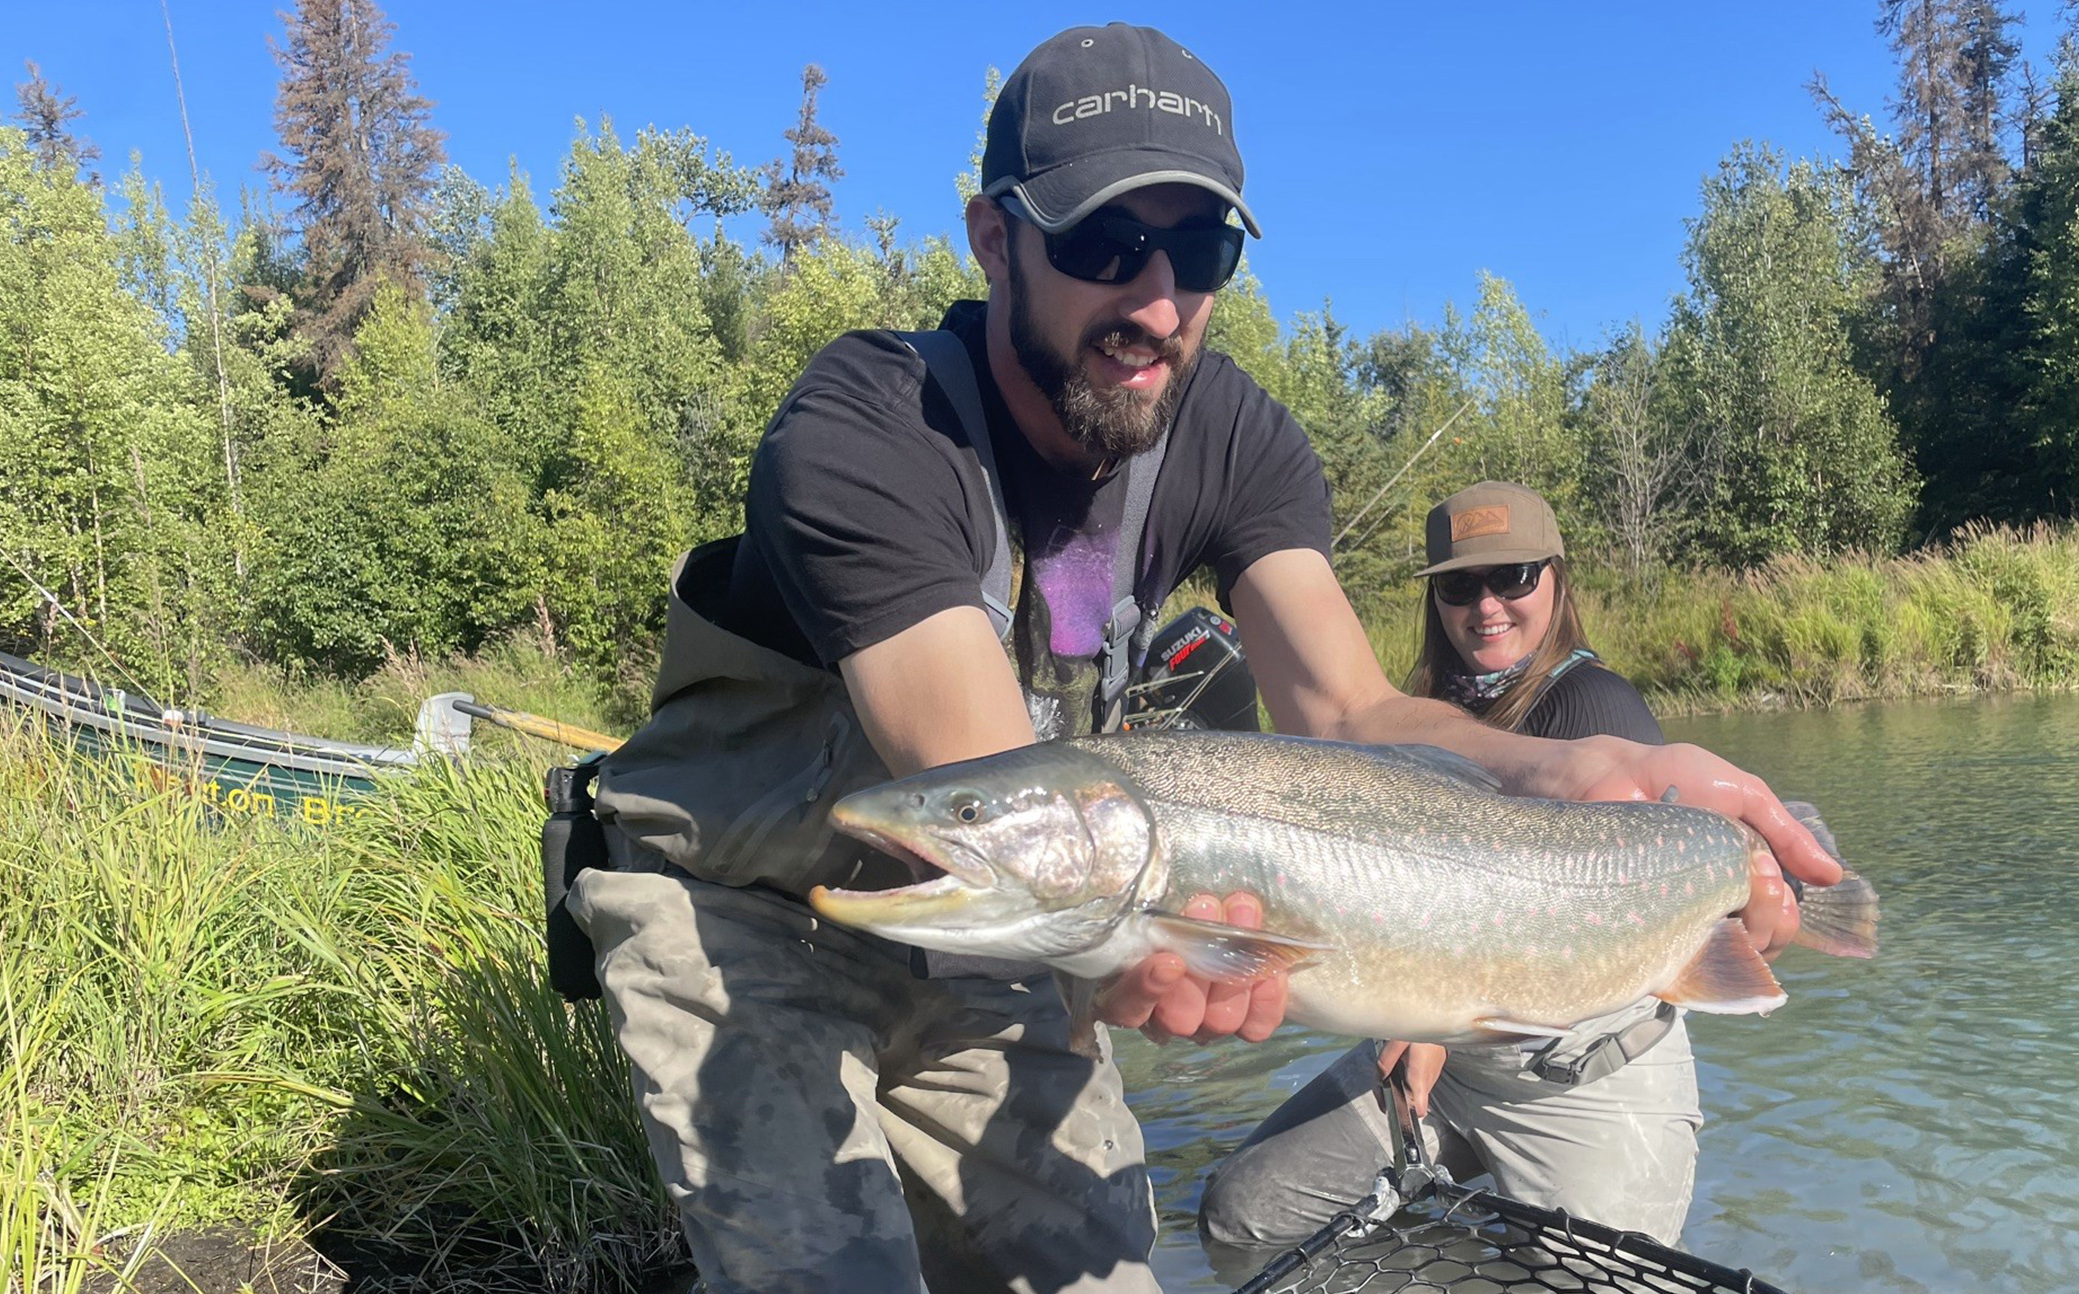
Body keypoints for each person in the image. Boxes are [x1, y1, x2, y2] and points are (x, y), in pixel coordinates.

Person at [566, 25, 1841, 1293]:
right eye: (1103, 243)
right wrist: (1145, 938)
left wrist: (1575, 772)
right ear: (994, 238)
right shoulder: (865, 426)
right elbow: (972, 771)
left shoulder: (1233, 436)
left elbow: (1348, 709)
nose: (1158, 300)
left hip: (1021, 933)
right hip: (751, 922)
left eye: (1202, 248)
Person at [1198, 482, 1708, 1260]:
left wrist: (1435, 1017)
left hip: (1588, 1076)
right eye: (1460, 585)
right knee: (1244, 1217)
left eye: (1513, 578)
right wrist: (1421, 1020)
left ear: (1557, 581)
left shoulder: (1598, 711)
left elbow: (1577, 920)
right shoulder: (1415, 718)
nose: (1487, 606)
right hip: (1447, 1048)